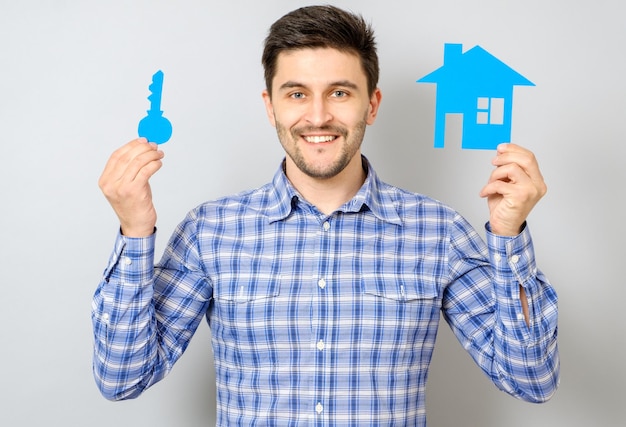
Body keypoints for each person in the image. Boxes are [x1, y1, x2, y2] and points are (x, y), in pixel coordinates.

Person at [92, 5, 559, 426]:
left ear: (371, 105)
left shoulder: (438, 232)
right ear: (269, 105)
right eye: (296, 94)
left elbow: (531, 380)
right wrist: (135, 232)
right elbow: (122, 377)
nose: (318, 117)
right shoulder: (209, 231)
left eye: (339, 92)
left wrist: (508, 236)